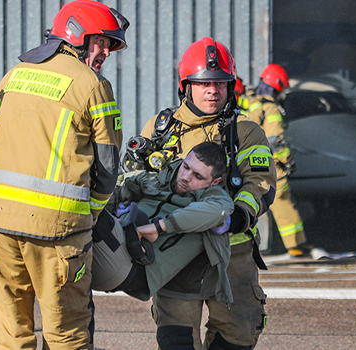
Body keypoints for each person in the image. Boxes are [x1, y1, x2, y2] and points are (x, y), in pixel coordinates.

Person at [0, 1, 129, 349]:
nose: (107, 52)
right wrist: (92, 214)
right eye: (103, 42)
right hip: (57, 231)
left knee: (10, 332)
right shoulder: (93, 85)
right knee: (66, 333)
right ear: (79, 35)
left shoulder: (14, 74)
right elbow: (108, 169)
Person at [140, 37, 277, 350]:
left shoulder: (245, 130)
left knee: (237, 338)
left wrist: (239, 215)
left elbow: (261, 181)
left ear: (230, 86)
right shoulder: (161, 129)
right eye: (203, 83)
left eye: (219, 83)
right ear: (187, 86)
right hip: (175, 254)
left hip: (233, 256)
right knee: (177, 342)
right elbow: (137, 181)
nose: (212, 90)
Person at [91, 142, 235, 304]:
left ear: (214, 182)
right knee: (83, 202)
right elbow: (111, 190)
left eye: (198, 176)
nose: (186, 177)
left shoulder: (214, 201)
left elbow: (220, 211)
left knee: (85, 208)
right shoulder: (154, 179)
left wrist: (159, 227)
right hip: (114, 248)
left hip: (135, 269)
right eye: (185, 167)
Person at [245, 64, 317, 258]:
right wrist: (288, 160)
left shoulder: (251, 103)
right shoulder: (271, 109)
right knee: (283, 200)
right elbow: (275, 141)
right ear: (277, 86)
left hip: (247, 162)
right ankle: (296, 245)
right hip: (269, 164)